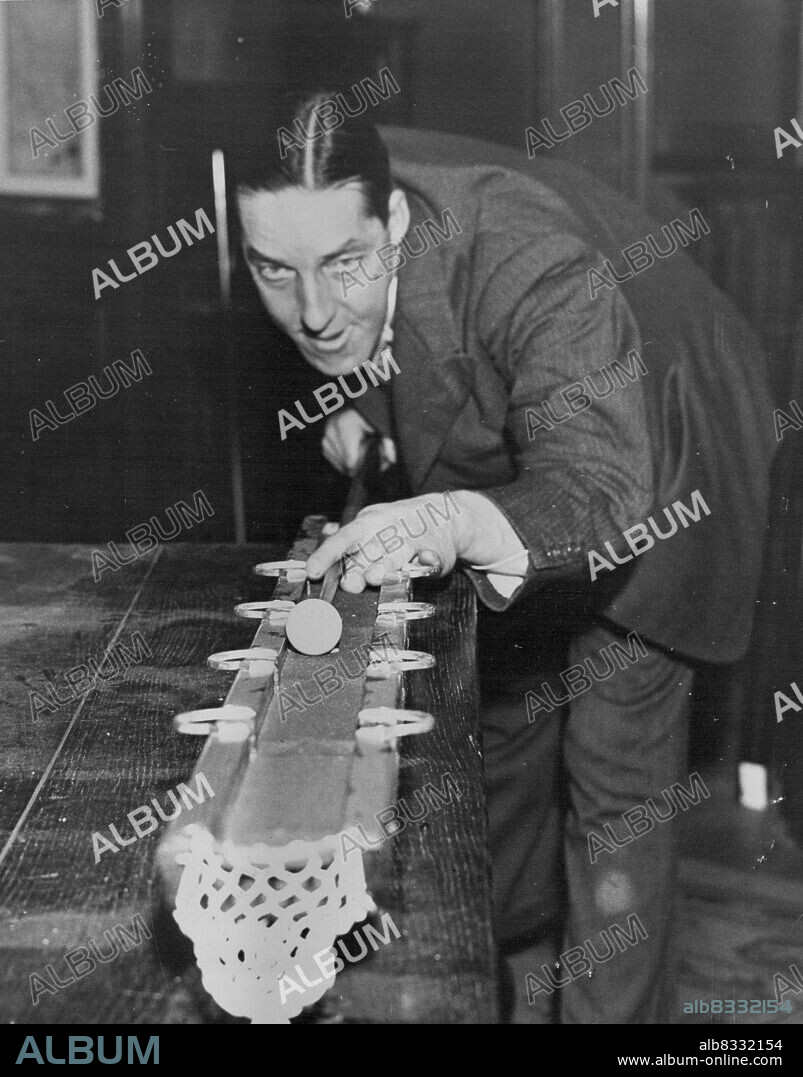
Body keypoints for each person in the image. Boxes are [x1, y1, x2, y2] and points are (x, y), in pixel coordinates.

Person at [229, 92, 776, 1023]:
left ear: (393, 220)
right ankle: (490, 978)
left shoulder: (528, 259)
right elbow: (404, 332)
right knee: (503, 724)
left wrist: (451, 516)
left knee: (616, 786)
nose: (311, 311)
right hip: (530, 437)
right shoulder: (328, 175)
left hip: (664, 454)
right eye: (275, 270)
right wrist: (367, 399)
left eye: (344, 265)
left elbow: (597, 484)